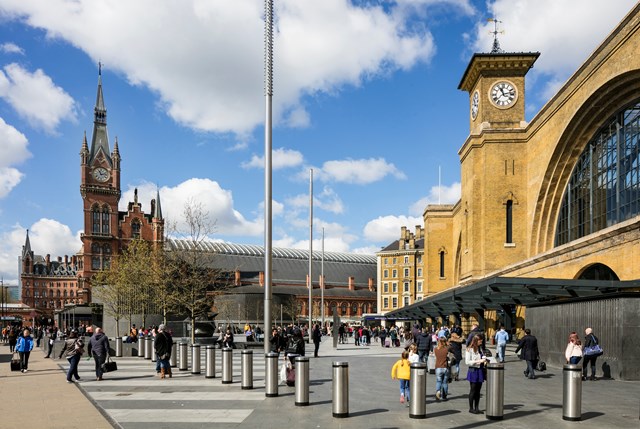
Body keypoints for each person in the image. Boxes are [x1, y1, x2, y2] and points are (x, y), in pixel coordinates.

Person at [465, 334, 488, 414]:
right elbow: (467, 362)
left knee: (478, 390)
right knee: (473, 390)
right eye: (480, 341)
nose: (481, 342)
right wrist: (479, 361)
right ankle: (471, 408)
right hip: (473, 370)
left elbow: (482, 356)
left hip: (480, 370)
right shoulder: (469, 350)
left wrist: (484, 359)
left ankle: (477, 407)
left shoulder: (480, 348)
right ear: (476, 341)